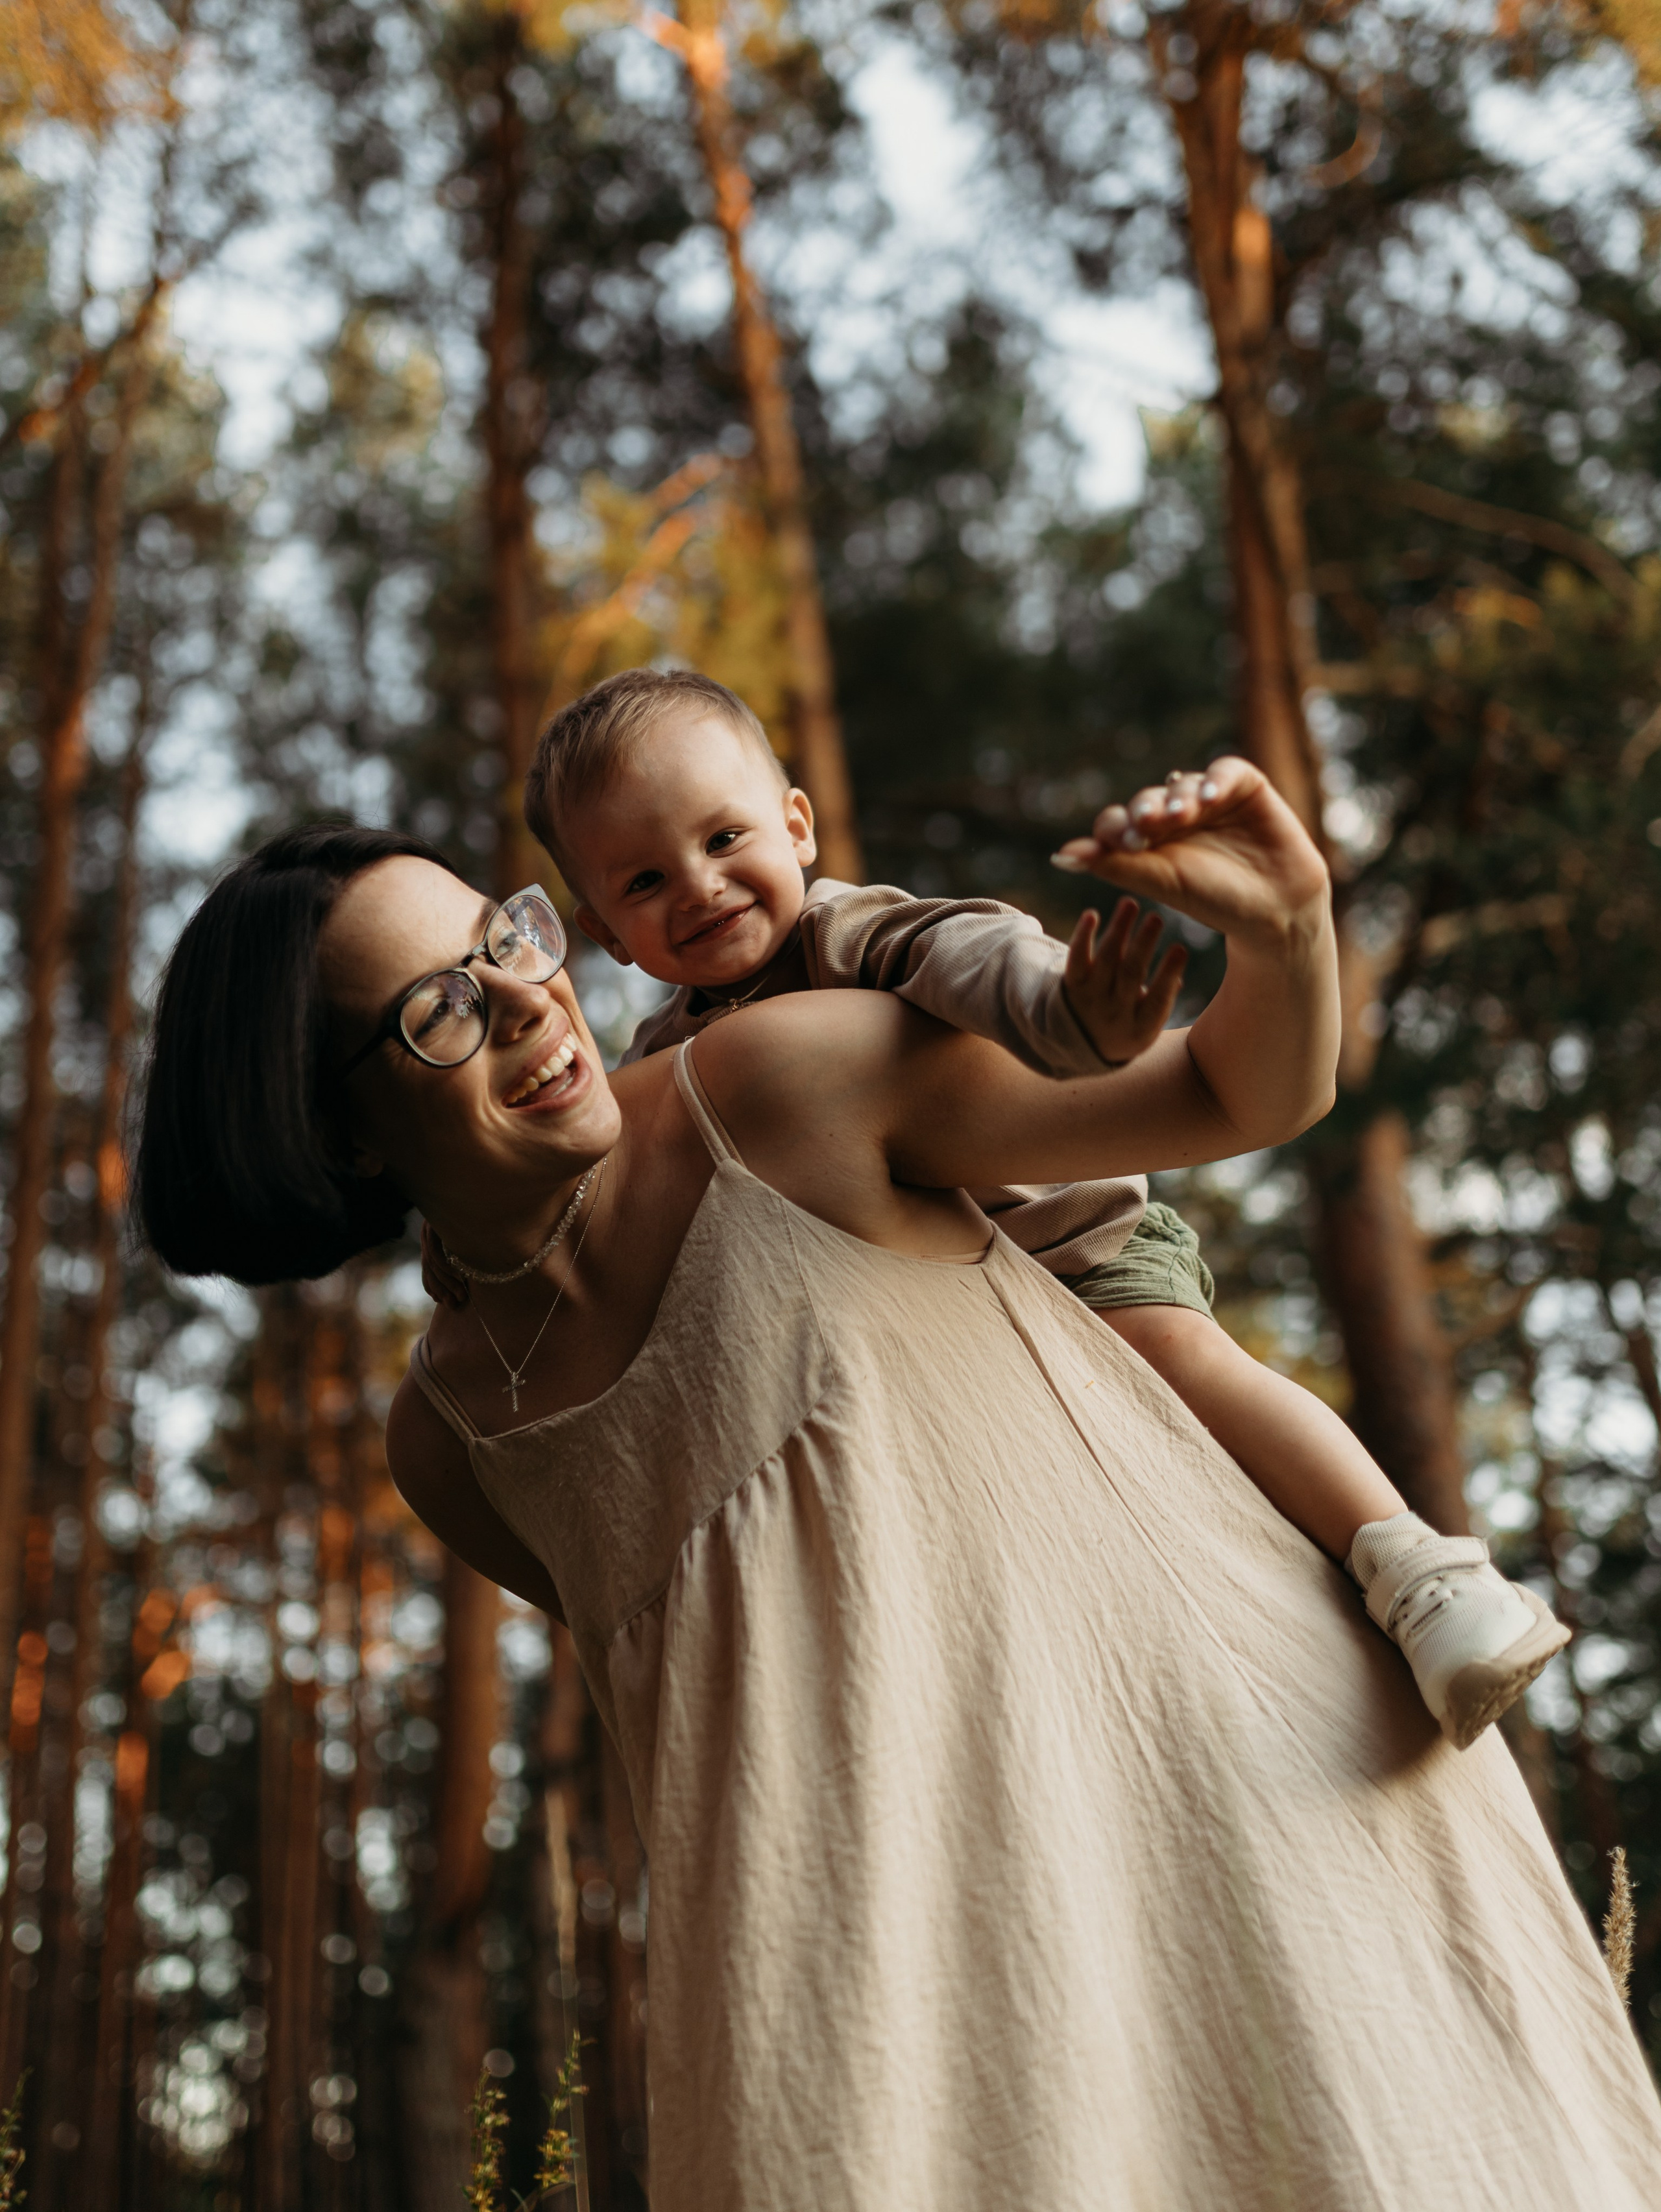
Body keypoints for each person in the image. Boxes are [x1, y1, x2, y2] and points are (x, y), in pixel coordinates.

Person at [135, 781, 1661, 2211]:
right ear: (332, 1127)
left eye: (507, 935)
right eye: (440, 1008)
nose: (531, 994)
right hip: (891, 1977)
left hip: (1242, 1797)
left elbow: (1224, 1085)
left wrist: (1279, 927)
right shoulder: (447, 1443)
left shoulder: (766, 1087)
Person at [502, 666, 1567, 1749]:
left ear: (797, 826)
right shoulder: (660, 1062)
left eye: (724, 838)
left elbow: (975, 955)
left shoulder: (850, 935)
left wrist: (1071, 1018)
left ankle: (1411, 1559)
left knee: (1181, 1362)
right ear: (604, 931)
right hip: (937, 1331)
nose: (699, 885)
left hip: (1067, 1245)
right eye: (644, 879)